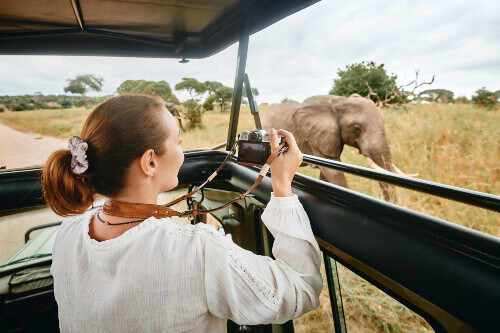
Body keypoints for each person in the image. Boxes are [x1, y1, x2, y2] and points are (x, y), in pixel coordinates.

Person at [43, 94, 322, 332]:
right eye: (178, 141)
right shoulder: (196, 249)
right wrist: (283, 186)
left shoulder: (68, 234)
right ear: (150, 162)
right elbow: (300, 290)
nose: (182, 152)